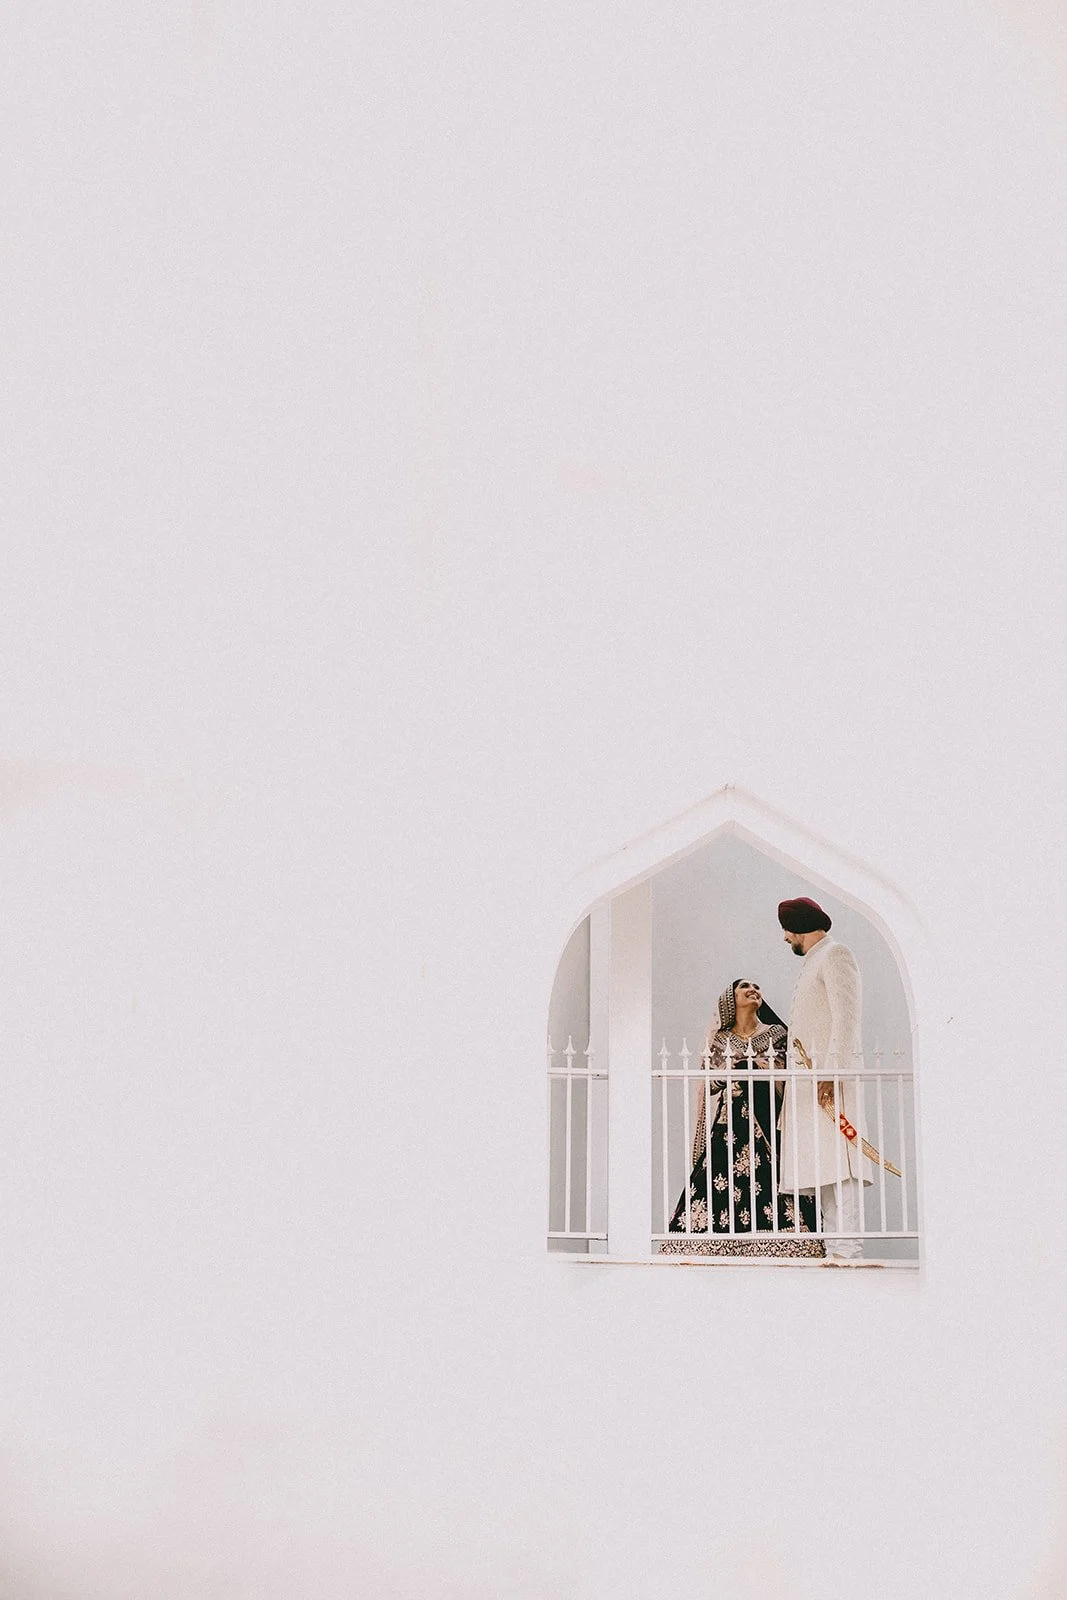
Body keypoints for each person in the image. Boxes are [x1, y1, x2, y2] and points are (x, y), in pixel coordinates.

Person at [659, 978, 823, 1258]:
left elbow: (788, 1077)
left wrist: (753, 1068)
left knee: (773, 1179)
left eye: (758, 987)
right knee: (716, 1178)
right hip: (729, 1124)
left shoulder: (777, 1034)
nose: (753, 990)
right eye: (744, 986)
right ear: (729, 999)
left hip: (768, 1123)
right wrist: (730, 1071)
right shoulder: (720, 1039)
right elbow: (707, 1082)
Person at [777, 896, 874, 1261]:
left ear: (799, 926)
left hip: (829, 1083)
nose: (785, 938)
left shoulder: (836, 955)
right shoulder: (814, 961)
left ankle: (847, 1247)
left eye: (787, 930)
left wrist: (832, 1073)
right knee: (823, 1165)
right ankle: (835, 1246)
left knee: (842, 1165)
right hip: (809, 1086)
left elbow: (846, 1017)